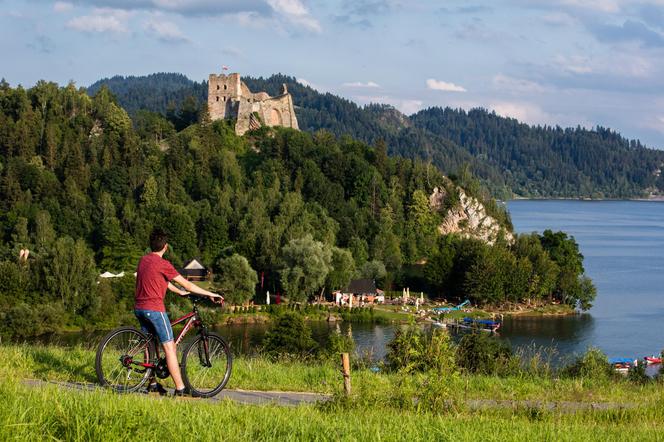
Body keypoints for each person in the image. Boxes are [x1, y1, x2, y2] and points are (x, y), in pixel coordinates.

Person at [135, 228, 223, 396]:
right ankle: (181, 389)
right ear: (165, 247)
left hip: (139, 308)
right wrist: (211, 294)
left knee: (150, 345)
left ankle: (152, 384)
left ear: (151, 245)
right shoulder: (163, 264)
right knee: (170, 347)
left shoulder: (143, 260)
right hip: (154, 309)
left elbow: (160, 281)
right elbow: (188, 285)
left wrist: (178, 291)